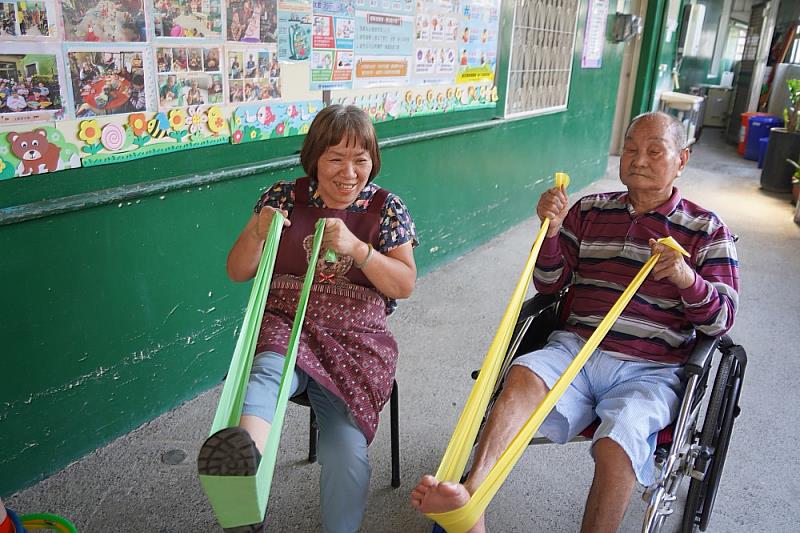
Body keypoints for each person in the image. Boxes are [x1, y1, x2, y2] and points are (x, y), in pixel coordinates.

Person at [411, 112, 739, 533]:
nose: (639, 159)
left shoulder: (708, 230)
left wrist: (686, 278)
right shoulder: (589, 210)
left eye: (655, 151)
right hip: (577, 349)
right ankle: (470, 502)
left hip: (652, 369)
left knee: (618, 441)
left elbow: (721, 322)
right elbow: (550, 284)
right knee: (523, 376)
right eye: (632, 149)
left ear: (682, 159)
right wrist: (551, 232)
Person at [198, 104, 418, 533]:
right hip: (288, 321)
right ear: (314, 158)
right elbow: (238, 270)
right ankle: (243, 469)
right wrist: (258, 231)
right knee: (267, 369)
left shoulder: (388, 207)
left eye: (361, 159)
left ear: (373, 160)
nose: (349, 172)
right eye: (335, 158)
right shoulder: (282, 197)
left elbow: (404, 284)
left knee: (346, 451)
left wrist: (359, 249)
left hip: (356, 341)